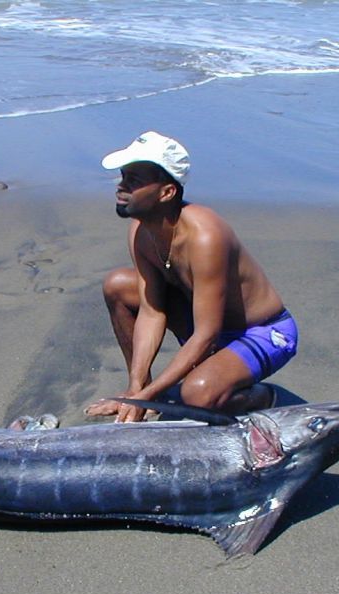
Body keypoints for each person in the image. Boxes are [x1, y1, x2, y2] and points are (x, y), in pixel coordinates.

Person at [84, 131, 298, 423]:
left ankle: (262, 397)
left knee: (197, 395)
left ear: (167, 192)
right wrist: (136, 391)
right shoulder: (140, 230)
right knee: (118, 285)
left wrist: (146, 397)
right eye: (123, 177)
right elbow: (151, 310)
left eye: (134, 180)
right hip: (206, 327)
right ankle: (147, 391)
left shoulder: (205, 235)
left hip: (262, 332)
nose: (121, 187)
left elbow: (206, 335)